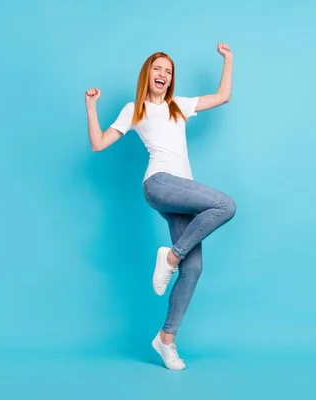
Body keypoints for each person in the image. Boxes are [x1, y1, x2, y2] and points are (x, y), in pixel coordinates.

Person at [85, 43, 236, 370]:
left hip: (182, 192)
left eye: (168, 72)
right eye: (158, 69)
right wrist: (91, 106)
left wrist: (229, 59)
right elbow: (98, 145)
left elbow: (222, 96)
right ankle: (170, 255)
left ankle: (166, 339)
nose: (163, 75)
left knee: (193, 269)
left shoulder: (178, 106)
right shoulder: (134, 108)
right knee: (225, 205)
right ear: (147, 74)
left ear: (171, 80)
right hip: (159, 183)